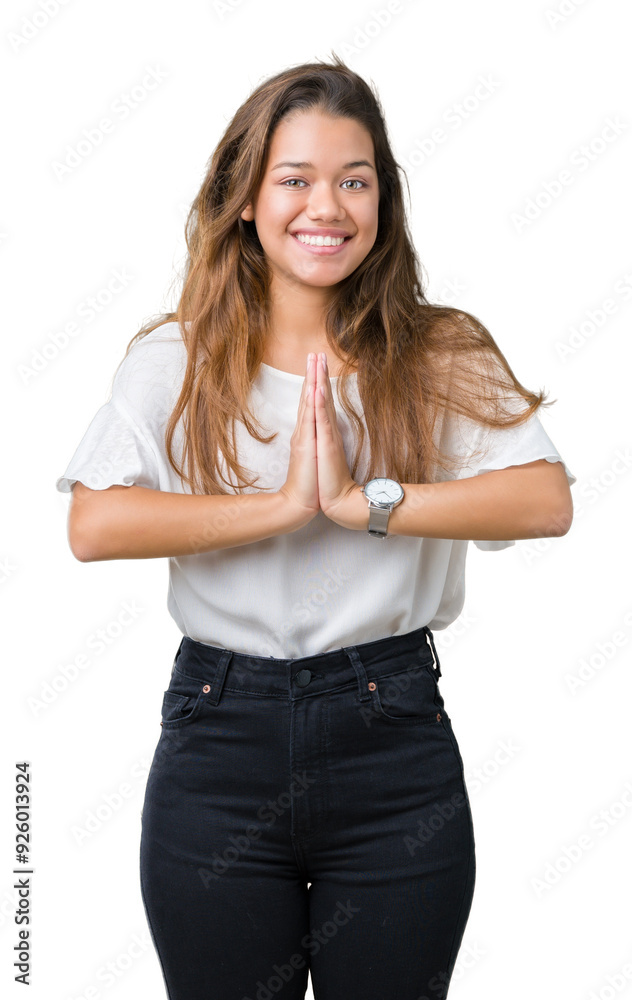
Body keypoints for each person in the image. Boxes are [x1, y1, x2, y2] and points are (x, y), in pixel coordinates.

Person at [56, 56, 576, 1000]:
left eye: (354, 180)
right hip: (220, 742)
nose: (325, 206)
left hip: (392, 740)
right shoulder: (178, 355)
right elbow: (93, 524)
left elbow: (543, 499)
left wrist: (363, 504)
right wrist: (284, 507)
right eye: (294, 179)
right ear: (247, 200)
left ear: (383, 201)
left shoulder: (437, 348)